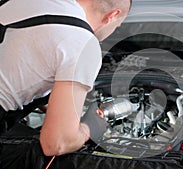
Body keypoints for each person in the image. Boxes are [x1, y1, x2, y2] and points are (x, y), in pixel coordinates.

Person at [0, 0, 132, 156]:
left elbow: (19, 63)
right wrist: (89, 128)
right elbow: (56, 143)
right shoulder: (83, 44)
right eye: (118, 26)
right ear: (112, 15)